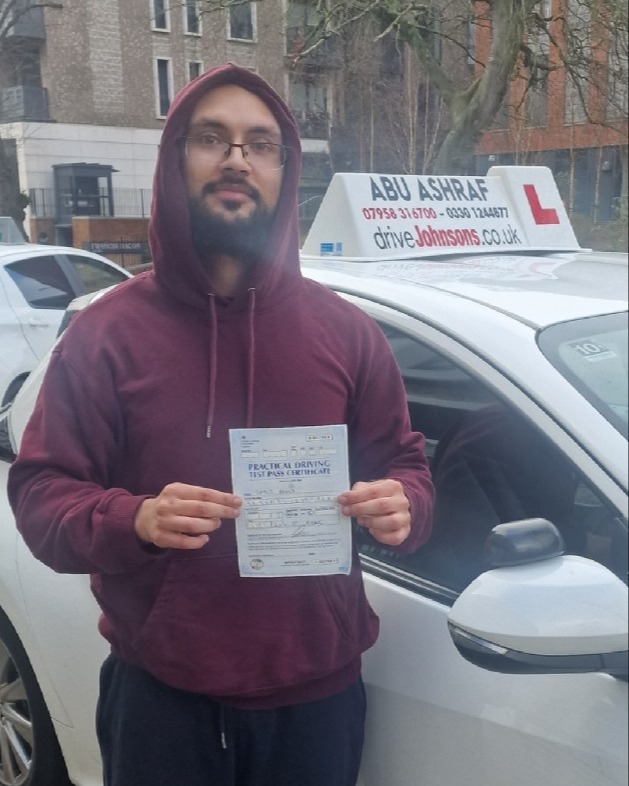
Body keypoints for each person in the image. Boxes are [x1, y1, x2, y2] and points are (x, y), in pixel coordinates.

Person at [8, 63, 434, 786]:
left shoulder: (347, 333)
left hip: (316, 702)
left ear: (284, 170)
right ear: (176, 161)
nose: (236, 158)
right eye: (212, 138)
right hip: (162, 704)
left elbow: (406, 465)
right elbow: (41, 495)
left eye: (260, 143)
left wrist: (404, 506)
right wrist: (134, 520)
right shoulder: (107, 335)